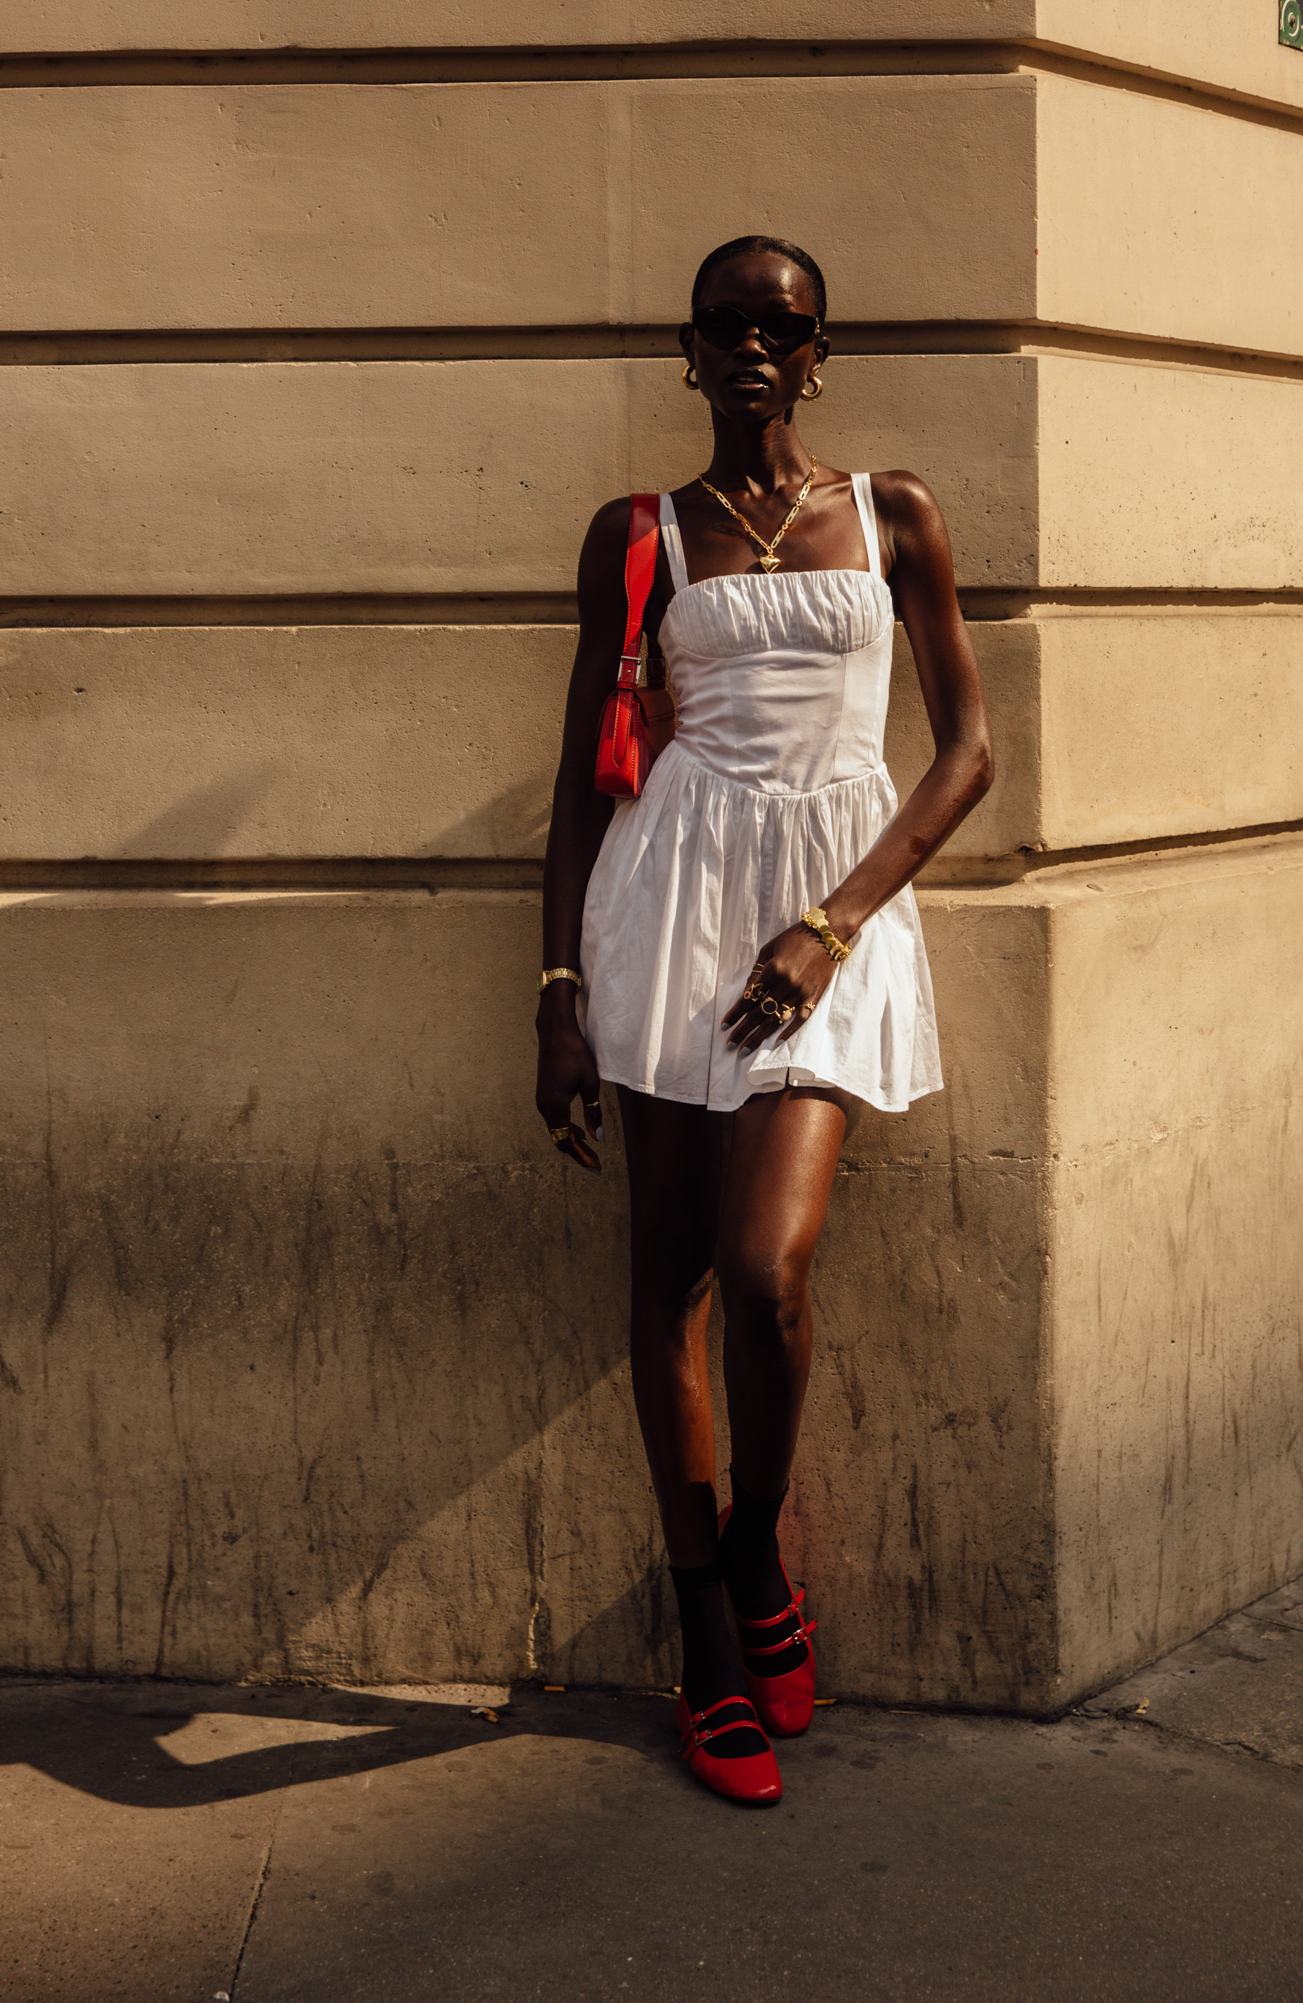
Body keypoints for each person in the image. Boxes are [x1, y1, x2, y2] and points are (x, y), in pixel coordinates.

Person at [535, 234, 993, 1804]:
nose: (751, 345)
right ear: (689, 347)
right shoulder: (640, 534)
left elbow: (965, 756)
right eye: (723, 322)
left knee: (763, 1268)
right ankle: (709, 1630)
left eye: (778, 326)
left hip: (825, 916)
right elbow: (577, 782)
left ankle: (751, 1553)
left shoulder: (894, 513)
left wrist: (830, 926)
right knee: (665, 1280)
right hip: (667, 909)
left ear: (817, 351)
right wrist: (555, 997)